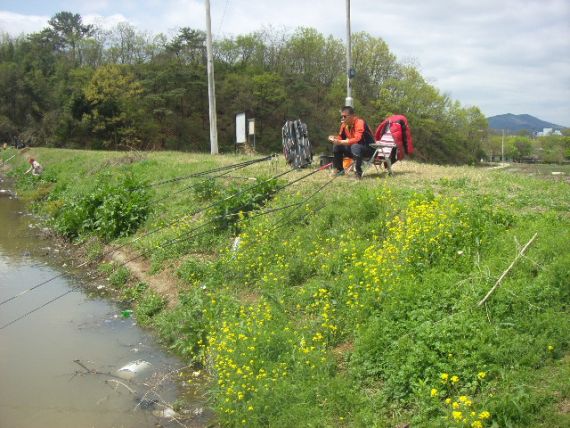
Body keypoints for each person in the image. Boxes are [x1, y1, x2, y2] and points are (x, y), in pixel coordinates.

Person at [327, 106, 375, 179]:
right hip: (355, 150)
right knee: (337, 146)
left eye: (344, 116)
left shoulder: (359, 122)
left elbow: (357, 139)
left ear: (352, 116)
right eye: (342, 116)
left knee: (355, 146)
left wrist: (341, 141)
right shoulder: (344, 125)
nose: (343, 118)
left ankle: (358, 173)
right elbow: (340, 138)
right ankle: (339, 170)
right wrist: (334, 138)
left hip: (369, 150)